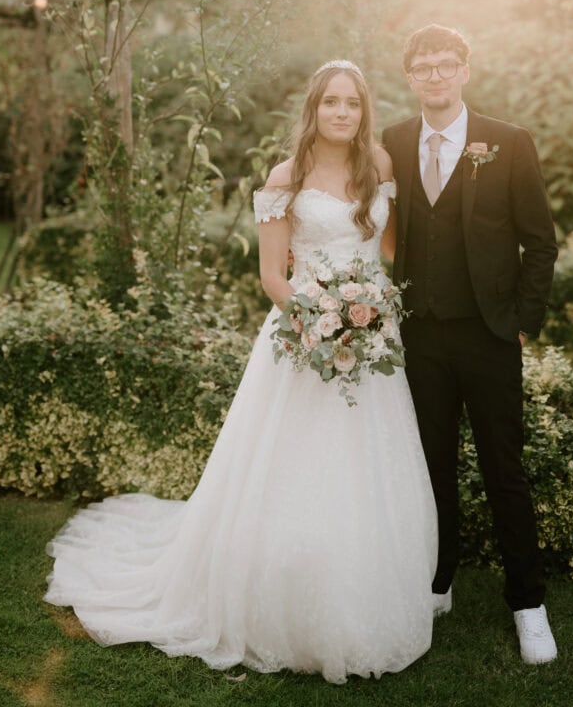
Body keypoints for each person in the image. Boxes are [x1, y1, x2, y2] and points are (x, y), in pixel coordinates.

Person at [45, 60, 438, 684]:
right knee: (296, 464)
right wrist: (320, 318)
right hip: (304, 338)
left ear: (364, 112)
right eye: (332, 102)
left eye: (354, 104)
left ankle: (365, 583)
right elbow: (273, 275)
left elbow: (386, 252)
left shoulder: (380, 168)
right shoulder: (287, 176)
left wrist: (370, 309)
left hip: (371, 341)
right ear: (313, 108)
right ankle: (277, 593)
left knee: (368, 462)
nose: (343, 113)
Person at [382, 24, 559, 665]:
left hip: (488, 335)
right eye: (422, 66)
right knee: (430, 468)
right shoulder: (394, 142)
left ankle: (528, 604)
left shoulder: (508, 143)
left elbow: (540, 240)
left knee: (503, 470)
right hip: (419, 335)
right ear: (409, 76)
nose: (434, 74)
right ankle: (439, 580)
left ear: (464, 70)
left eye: (445, 63)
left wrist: (523, 319)